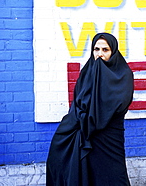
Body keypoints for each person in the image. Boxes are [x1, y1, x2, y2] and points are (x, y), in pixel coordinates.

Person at [46, 32, 134, 186]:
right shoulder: (87, 72)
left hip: (108, 138)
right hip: (86, 135)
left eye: (105, 50)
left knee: (113, 177)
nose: (100, 54)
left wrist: (87, 119)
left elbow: (114, 106)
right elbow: (77, 104)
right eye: (96, 49)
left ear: (113, 51)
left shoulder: (123, 75)